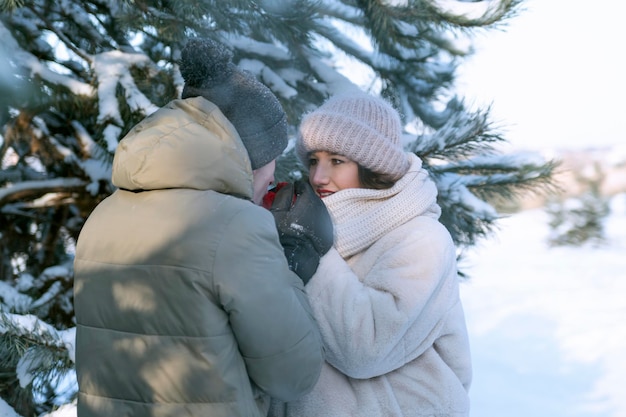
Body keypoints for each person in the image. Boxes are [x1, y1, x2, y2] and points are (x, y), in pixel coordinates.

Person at [73, 38, 329, 417]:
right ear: (248, 156)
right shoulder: (235, 228)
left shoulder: (103, 217)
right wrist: (291, 260)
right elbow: (293, 375)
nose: (275, 174)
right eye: (272, 159)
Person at [268, 93, 472, 417]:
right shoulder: (304, 226)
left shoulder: (421, 238)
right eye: (313, 161)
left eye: (336, 161)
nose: (318, 177)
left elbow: (367, 349)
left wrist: (314, 257)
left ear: (372, 166)